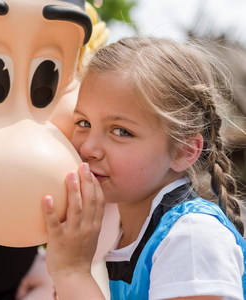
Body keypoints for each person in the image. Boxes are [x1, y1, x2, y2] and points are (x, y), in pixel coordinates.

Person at [42, 35, 246, 300]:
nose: (88, 148)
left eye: (121, 131)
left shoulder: (192, 237)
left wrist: (73, 274)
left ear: (185, 150)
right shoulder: (132, 233)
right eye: (83, 123)